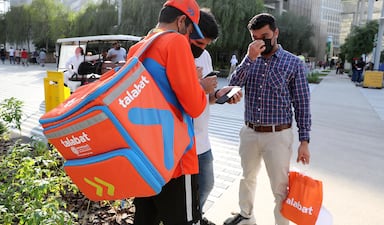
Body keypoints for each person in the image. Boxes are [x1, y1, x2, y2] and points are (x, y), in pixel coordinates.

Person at [222, 13, 311, 225]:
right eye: (256, 37)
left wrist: (304, 142)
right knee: (247, 178)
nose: (261, 41)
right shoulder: (250, 60)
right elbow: (232, 86)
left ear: (276, 32)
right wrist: (249, 59)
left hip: (278, 135)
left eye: (266, 36)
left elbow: (302, 104)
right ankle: (246, 216)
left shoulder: (293, 64)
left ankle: (282, 223)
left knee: (280, 187)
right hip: (250, 131)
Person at [127, 0, 207, 224]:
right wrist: (200, 86)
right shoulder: (175, 42)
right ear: (182, 21)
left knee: (145, 218)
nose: (189, 38)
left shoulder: (138, 48)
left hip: (146, 156)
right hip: (177, 158)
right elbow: (194, 106)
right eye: (190, 30)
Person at [191, 9, 219, 225]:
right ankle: (191, 218)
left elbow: (208, 97)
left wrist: (219, 95)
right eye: (199, 43)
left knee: (207, 184)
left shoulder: (204, 56)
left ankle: (196, 216)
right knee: (187, 191)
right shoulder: (174, 53)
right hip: (183, 140)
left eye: (206, 45)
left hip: (202, 137)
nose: (201, 50)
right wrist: (199, 85)